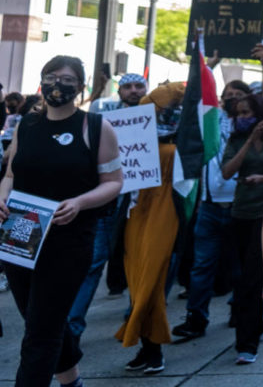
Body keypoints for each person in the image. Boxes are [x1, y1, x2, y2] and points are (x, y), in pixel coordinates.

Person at [0, 55, 123, 387]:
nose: (58, 84)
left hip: (68, 244)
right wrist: (2, 195)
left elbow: (114, 182)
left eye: (67, 79)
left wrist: (80, 202)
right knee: (42, 321)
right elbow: (11, 172)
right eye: (51, 76)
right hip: (21, 237)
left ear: (80, 87)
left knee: (40, 334)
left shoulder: (96, 128)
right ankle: (72, 382)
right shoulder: (26, 125)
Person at [174, 42, 263, 341]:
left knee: (240, 269)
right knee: (202, 266)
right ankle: (196, 318)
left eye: (239, 97)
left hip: (241, 207)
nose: (233, 101)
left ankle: (240, 311)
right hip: (209, 205)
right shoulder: (214, 119)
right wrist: (210, 65)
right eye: (227, 96)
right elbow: (196, 96)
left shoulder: (256, 124)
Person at [67, 73, 149, 343]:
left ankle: (134, 319)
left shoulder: (159, 118)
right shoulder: (101, 118)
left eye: (139, 86)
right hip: (107, 202)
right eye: (128, 86)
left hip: (142, 204)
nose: (134, 91)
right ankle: (72, 329)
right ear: (120, 90)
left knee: (139, 260)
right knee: (94, 262)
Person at [118, 82, 185, 375]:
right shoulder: (132, 137)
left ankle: (153, 347)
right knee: (138, 282)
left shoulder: (177, 145)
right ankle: (147, 347)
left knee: (152, 282)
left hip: (163, 213)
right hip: (135, 215)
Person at [221, 92, 263, 365]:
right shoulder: (235, 140)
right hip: (239, 214)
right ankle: (254, 325)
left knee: (251, 280)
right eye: (239, 114)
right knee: (240, 276)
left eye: (247, 113)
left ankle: (247, 344)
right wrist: (247, 140)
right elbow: (226, 171)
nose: (242, 118)